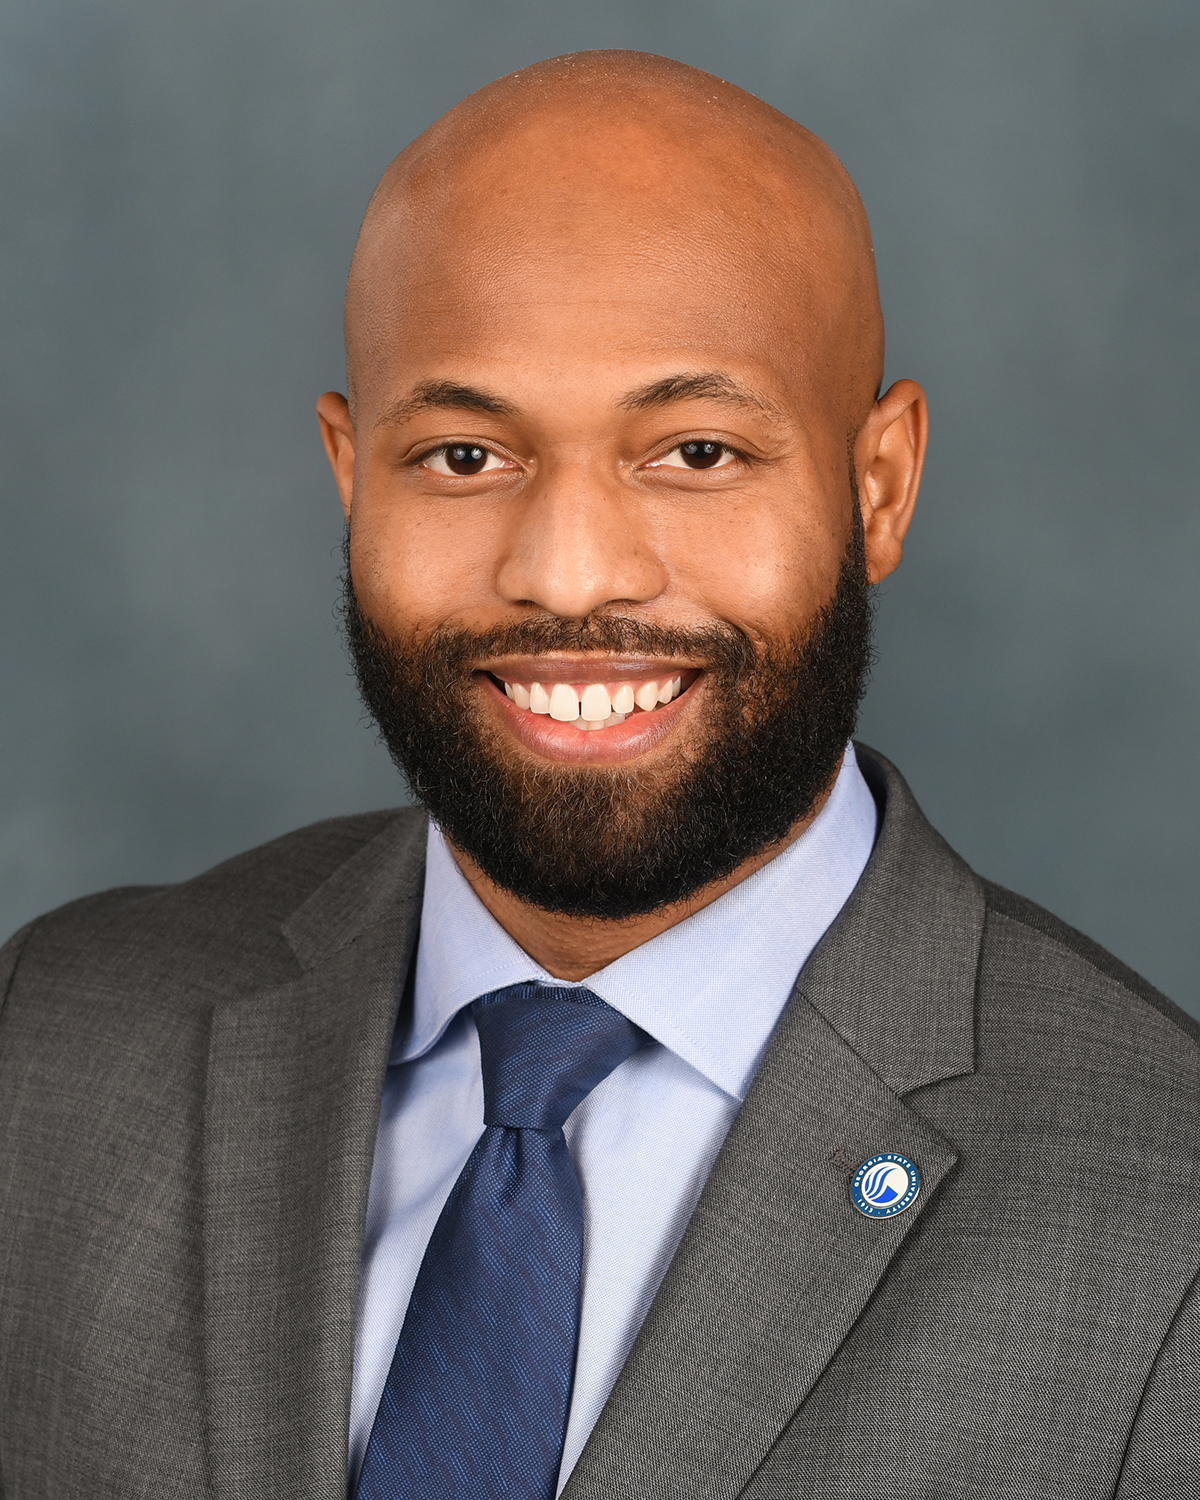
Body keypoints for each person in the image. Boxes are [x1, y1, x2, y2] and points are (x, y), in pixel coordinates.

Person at [0, 48, 1196, 1500]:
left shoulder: (1166, 1219)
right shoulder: (53, 1043)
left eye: (695, 451)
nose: (568, 574)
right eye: (463, 457)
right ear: (349, 473)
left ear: (877, 485)